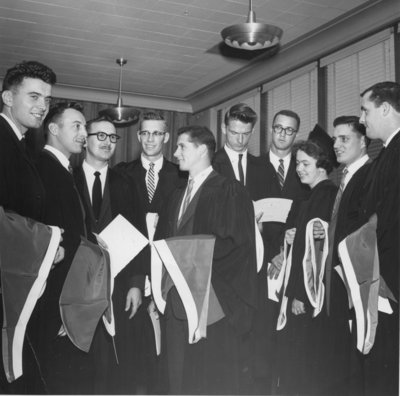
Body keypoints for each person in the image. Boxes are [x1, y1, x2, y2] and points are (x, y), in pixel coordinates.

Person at [155, 125, 258, 394]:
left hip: (213, 304)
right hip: (177, 303)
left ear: (202, 150)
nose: (175, 153)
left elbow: (238, 247)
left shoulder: (229, 190)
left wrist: (194, 262)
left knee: (209, 380)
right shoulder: (176, 195)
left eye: (181, 147)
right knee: (177, 377)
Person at [114, 111, 186, 393]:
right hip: (130, 271)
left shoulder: (180, 174)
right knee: (131, 346)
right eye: (145, 133)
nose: (150, 139)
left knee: (165, 352)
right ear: (138, 135)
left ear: (166, 137)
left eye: (157, 133)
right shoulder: (121, 173)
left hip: (166, 270)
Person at [0, 60, 59, 393]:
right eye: (34, 97)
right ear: (8, 97)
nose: (42, 107)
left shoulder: (19, 143)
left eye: (47, 100)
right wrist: (50, 241)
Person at [74, 116, 142, 394]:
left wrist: (137, 283)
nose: (107, 142)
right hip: (75, 284)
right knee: (80, 358)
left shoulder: (125, 182)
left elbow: (138, 235)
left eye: (113, 137)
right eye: (100, 135)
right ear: (84, 138)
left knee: (114, 360)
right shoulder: (67, 177)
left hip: (118, 284)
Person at [34, 102, 92, 394]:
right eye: (77, 126)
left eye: (84, 127)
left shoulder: (66, 169)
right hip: (53, 288)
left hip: (67, 288)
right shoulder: (43, 167)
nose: (85, 134)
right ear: (54, 129)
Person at [277, 125, 338, 395]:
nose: (299, 169)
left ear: (322, 164)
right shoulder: (311, 196)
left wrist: (300, 294)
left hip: (309, 294)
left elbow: (315, 255)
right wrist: (290, 237)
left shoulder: (325, 195)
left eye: (304, 163)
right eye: (297, 163)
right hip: (304, 292)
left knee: (304, 364)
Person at [317, 116, 371, 395]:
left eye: (344, 139)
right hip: (336, 283)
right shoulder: (347, 177)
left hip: (354, 282)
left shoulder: (367, 178)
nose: (336, 145)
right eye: (335, 139)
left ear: (363, 142)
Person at [359, 81, 399, 396]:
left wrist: (384, 275)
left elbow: (393, 220)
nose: (362, 119)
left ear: (385, 108)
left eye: (366, 110)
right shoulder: (386, 154)